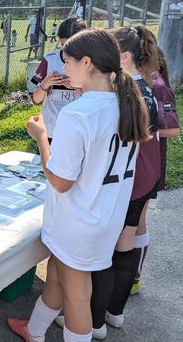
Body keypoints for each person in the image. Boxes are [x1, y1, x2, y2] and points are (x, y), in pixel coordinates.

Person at [8, 28, 148, 342]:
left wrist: (41, 137)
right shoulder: (125, 103)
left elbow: (60, 180)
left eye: (67, 61)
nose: (63, 68)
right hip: (105, 215)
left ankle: (40, 331)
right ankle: (34, 330)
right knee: (57, 274)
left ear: (87, 63)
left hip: (79, 219)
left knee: (77, 295)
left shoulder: (78, 113)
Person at [80, 26, 163, 336]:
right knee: (125, 245)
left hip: (125, 178)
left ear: (124, 57)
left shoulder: (124, 93)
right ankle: (115, 313)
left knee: (105, 249)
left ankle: (95, 321)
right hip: (145, 175)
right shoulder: (149, 88)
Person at [131, 47, 180, 294]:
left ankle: (134, 276)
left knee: (138, 221)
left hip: (148, 164)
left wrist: (145, 129)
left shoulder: (158, 86)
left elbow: (172, 129)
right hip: (137, 162)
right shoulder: (140, 83)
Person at [30, 18, 86, 143]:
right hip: (51, 131)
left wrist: (76, 87)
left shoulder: (91, 62)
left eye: (71, 46)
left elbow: (97, 98)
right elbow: (36, 99)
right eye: (62, 45)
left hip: (78, 132)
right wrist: (45, 84)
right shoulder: (50, 60)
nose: (66, 50)